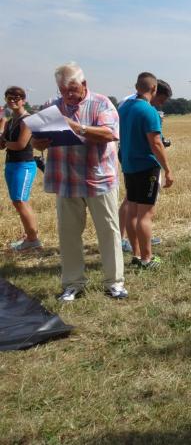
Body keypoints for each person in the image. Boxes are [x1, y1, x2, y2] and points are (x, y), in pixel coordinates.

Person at [32, 63, 127, 301]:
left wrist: (77, 127)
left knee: (109, 231)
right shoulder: (51, 106)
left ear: (84, 84)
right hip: (66, 179)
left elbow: (110, 133)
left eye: (72, 89)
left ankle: (114, 283)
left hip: (98, 178)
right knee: (68, 234)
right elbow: (36, 137)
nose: (68, 95)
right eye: (63, 90)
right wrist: (38, 143)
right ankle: (73, 283)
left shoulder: (102, 103)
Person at [118, 73, 174, 269]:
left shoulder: (124, 108)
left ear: (136, 87)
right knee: (145, 215)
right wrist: (168, 170)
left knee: (132, 211)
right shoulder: (149, 111)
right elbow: (156, 143)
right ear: (154, 89)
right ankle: (147, 259)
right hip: (146, 167)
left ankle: (136, 254)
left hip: (129, 165)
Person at [0, 86, 42, 252]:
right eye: (9, 98)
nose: (12, 101)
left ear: (23, 100)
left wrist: (5, 142)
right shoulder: (10, 121)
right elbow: (2, 144)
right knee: (18, 202)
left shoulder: (28, 120)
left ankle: (33, 240)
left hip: (24, 165)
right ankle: (30, 236)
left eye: (16, 98)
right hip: (11, 164)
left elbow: (20, 144)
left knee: (20, 201)